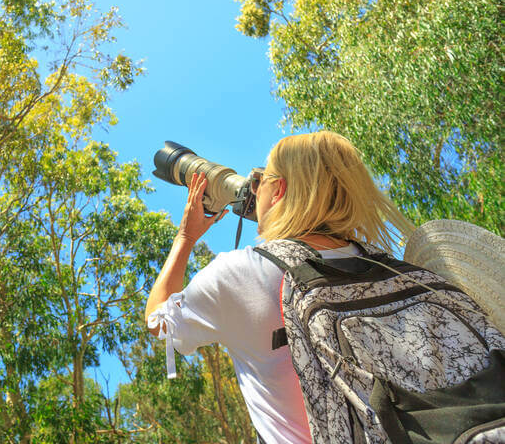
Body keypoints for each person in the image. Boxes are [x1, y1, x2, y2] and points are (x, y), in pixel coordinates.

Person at [144, 131, 413, 444]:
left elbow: (157, 322)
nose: (253, 190)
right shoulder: (389, 267)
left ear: (279, 190)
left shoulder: (241, 273)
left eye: (259, 180)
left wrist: (185, 238)